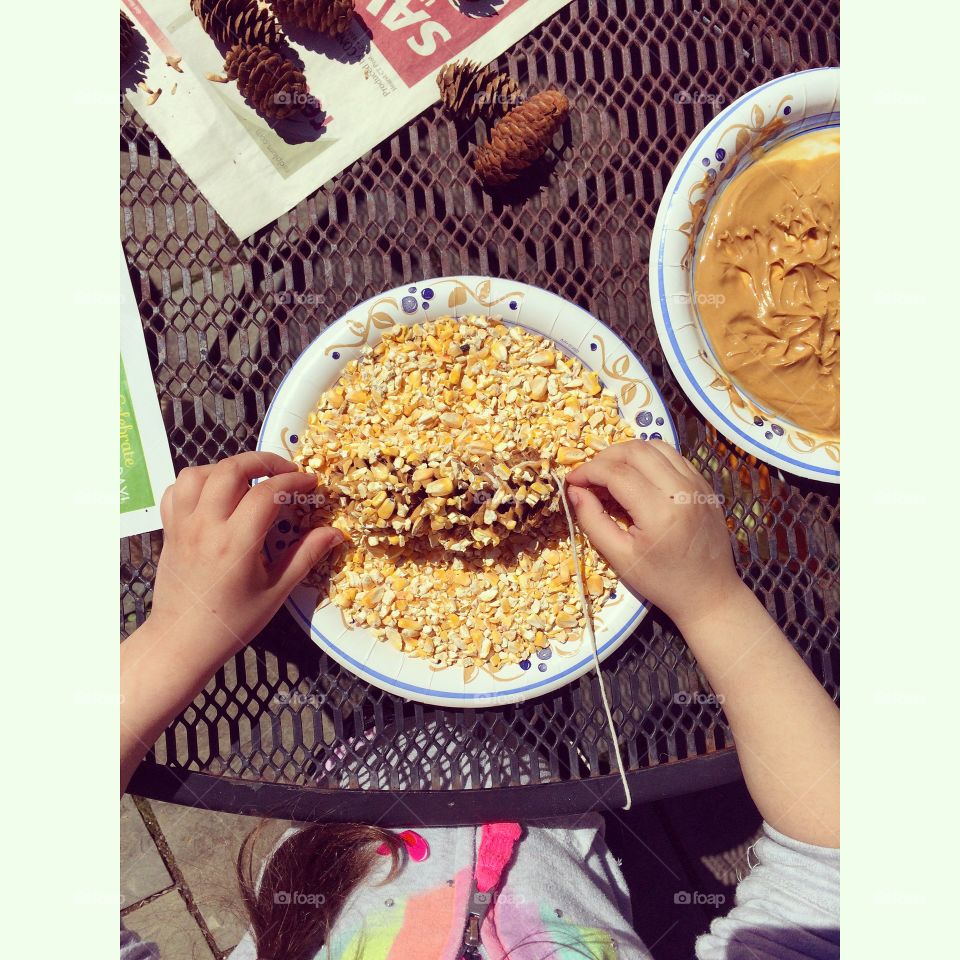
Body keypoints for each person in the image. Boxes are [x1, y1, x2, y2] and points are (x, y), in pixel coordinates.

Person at [121, 442, 839, 960]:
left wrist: (178, 636)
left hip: (347, 795)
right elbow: (839, 864)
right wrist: (713, 603)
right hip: (554, 797)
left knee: (368, 698)